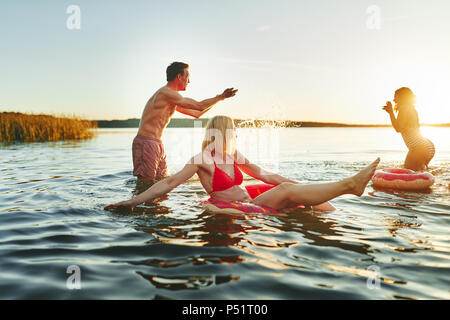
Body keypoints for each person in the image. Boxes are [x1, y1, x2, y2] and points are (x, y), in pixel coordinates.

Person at [105, 115, 380, 212]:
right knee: (285, 192)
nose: (236, 135)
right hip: (239, 207)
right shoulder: (202, 160)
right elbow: (169, 183)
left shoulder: (234, 156)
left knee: (291, 188)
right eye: (233, 130)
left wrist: (300, 183)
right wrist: (133, 202)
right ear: (222, 132)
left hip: (252, 200)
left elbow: (265, 174)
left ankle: (337, 197)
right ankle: (349, 185)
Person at [133, 62, 238, 182]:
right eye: (187, 76)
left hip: (157, 144)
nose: (189, 81)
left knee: (162, 182)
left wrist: (219, 99)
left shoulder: (172, 98)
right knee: (145, 184)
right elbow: (199, 106)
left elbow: (197, 113)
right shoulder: (166, 93)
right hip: (147, 142)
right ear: (179, 77)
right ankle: (133, 201)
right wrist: (220, 97)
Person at [382, 87, 435, 171]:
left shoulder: (404, 108)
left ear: (403, 97)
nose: (394, 100)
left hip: (418, 147)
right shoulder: (411, 109)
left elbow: (398, 128)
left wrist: (391, 112)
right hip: (426, 146)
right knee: (418, 172)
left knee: (408, 171)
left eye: (396, 97)